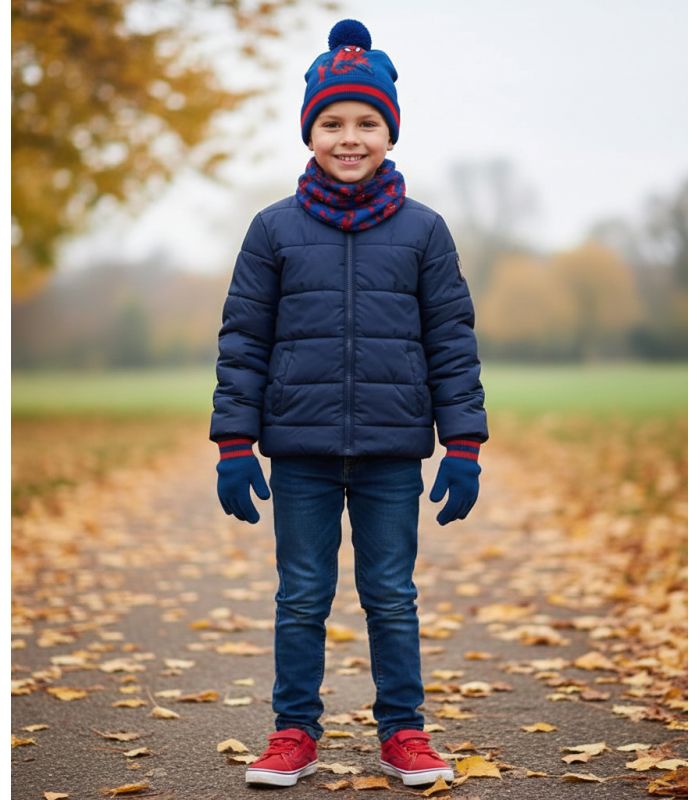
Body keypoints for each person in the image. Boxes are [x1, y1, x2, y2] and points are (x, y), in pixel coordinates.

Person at [210, 19, 488, 788]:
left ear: (389, 132)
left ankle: (404, 733)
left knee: (391, 596)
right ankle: (292, 731)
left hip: (392, 453)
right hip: (297, 451)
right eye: (333, 122)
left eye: (367, 122)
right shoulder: (273, 230)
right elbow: (243, 342)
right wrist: (234, 444)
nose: (350, 136)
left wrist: (463, 445)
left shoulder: (425, 232)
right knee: (301, 595)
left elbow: (452, 343)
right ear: (310, 132)